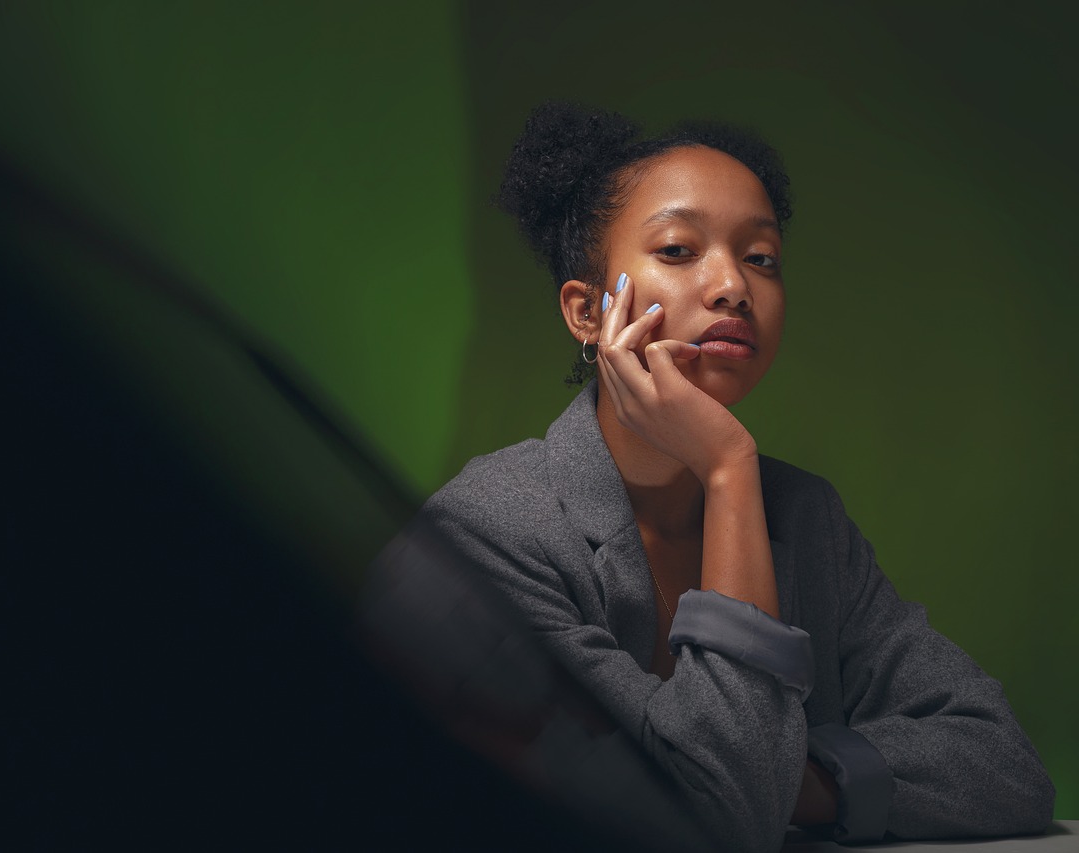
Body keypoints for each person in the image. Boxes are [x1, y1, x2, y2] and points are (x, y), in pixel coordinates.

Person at [402, 102, 1055, 850]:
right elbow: (724, 819)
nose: (733, 286)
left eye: (761, 257)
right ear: (587, 311)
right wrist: (726, 461)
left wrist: (802, 779)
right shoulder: (485, 532)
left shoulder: (805, 520)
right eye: (679, 250)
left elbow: (1007, 766)